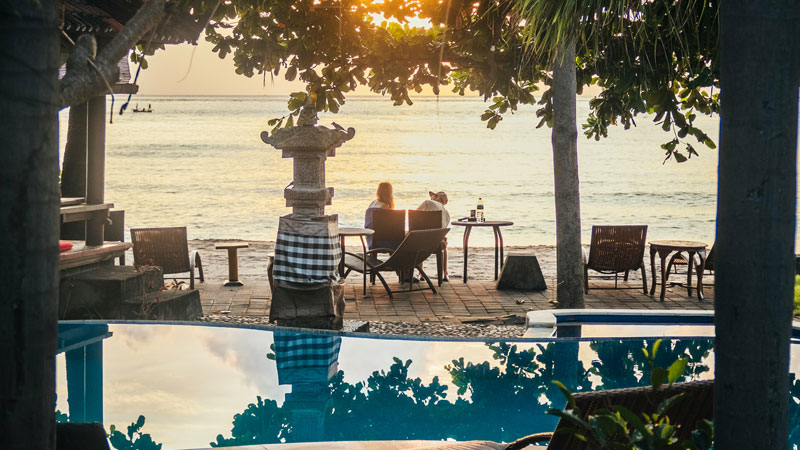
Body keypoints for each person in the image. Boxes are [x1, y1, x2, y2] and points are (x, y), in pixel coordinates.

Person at [417, 190, 450, 281]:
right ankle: (445, 273)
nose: (431, 197)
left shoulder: (427, 203)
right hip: (437, 243)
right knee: (444, 242)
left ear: (437, 198)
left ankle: (421, 273)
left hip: (421, 242)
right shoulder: (446, 214)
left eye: (434, 196)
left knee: (419, 237)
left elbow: (414, 216)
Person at [365, 181, 394, 248]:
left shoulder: (372, 204)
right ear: (390, 193)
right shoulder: (385, 208)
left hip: (370, 240)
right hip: (384, 242)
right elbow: (394, 229)